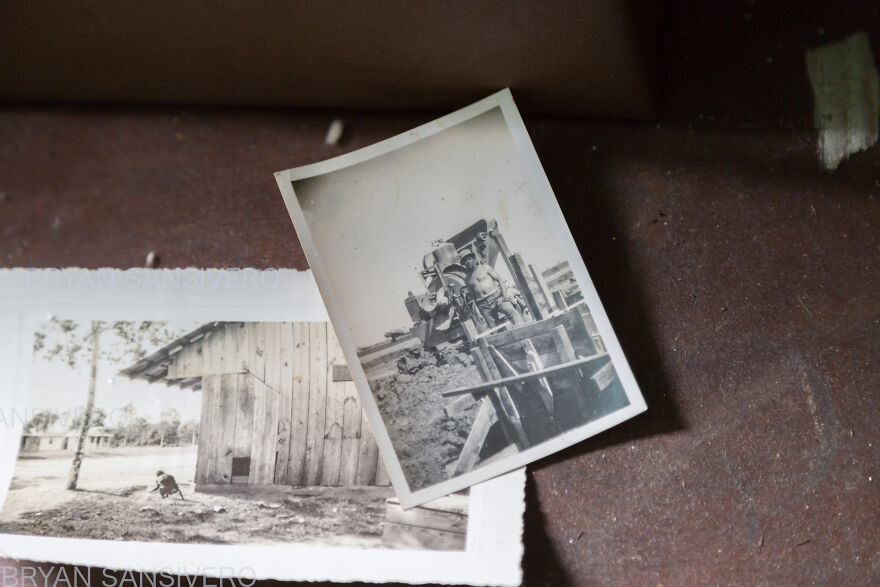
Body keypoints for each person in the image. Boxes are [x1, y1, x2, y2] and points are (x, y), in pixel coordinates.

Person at [461, 250, 524, 327]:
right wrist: (478, 312)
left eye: (469, 259)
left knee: (513, 314)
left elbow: (499, 280)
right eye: (464, 261)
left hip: (496, 298)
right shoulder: (467, 279)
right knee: (494, 329)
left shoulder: (485, 268)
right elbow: (473, 297)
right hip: (483, 305)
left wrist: (505, 295)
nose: (467, 262)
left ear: (473, 258)